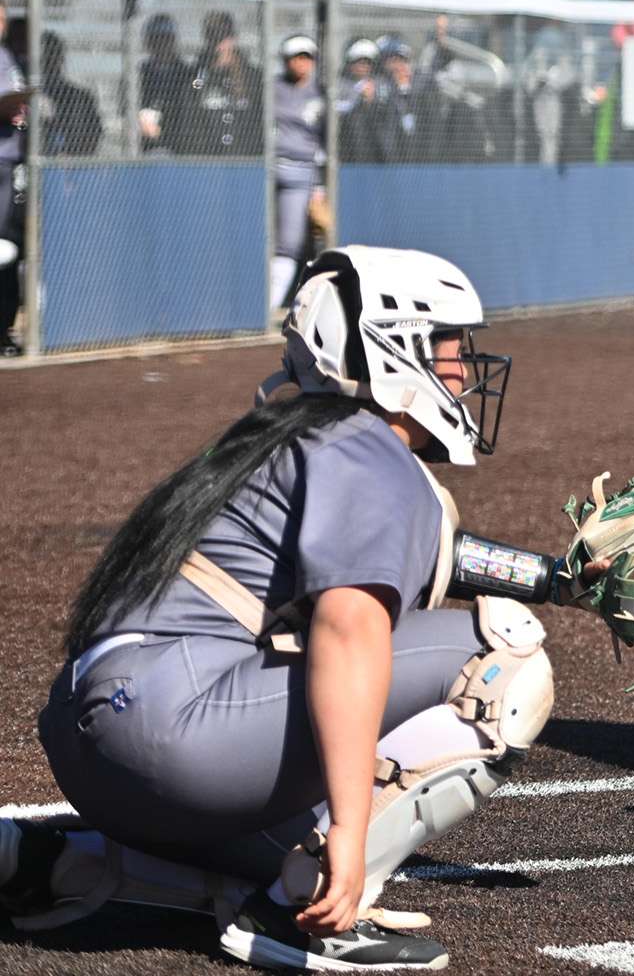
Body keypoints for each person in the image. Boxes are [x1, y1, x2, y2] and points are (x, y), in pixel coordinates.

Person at [0, 246, 581, 970]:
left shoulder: (291, 433)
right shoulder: (370, 449)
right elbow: (350, 627)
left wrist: (565, 577)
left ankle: (63, 862)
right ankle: (298, 917)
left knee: (288, 838)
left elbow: (436, 562)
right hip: (177, 731)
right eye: (449, 343)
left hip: (97, 741)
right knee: (507, 656)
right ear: (391, 348)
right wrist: (350, 825)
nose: (464, 366)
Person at [272, 35, 327, 307]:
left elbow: (326, 142)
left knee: (291, 243)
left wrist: (320, 186)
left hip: (303, 172)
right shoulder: (274, 88)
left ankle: (273, 304)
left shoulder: (321, 92)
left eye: (307, 57)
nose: (302, 63)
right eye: (296, 57)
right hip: (270, 168)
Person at [186, 11, 264, 156]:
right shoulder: (195, 75)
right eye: (213, 36)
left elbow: (250, 104)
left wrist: (234, 68)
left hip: (246, 156)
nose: (218, 43)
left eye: (223, 36)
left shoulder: (253, 75)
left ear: (233, 38)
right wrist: (212, 69)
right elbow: (190, 115)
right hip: (207, 156)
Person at [138, 14, 195, 155]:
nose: (161, 44)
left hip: (181, 144)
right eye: (155, 39)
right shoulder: (139, 74)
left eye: (165, 38)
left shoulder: (188, 74)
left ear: (173, 40)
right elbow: (127, 105)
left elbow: (195, 104)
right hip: (148, 146)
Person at [0, 3, 23, 356]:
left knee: (6, 250)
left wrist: (19, 109)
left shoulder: (6, 56)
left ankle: (3, 330)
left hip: (9, 162)